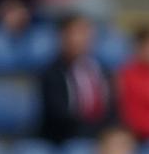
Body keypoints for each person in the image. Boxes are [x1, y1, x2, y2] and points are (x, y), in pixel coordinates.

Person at [38, 13, 114, 144]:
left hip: (100, 137)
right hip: (65, 140)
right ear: (63, 36)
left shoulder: (101, 70)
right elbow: (58, 115)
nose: (82, 38)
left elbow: (112, 108)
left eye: (86, 32)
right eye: (77, 32)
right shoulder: (52, 72)